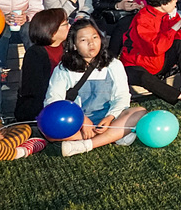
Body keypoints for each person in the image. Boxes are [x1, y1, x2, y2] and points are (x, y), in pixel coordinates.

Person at [42, 18, 148, 157]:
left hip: (108, 120)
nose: (91, 43)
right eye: (83, 40)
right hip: (76, 123)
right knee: (49, 133)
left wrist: (110, 117)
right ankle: (114, 136)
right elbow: (53, 101)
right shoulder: (64, 69)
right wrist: (81, 120)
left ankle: (86, 144)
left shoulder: (114, 64)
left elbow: (122, 96)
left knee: (140, 112)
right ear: (74, 45)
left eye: (94, 37)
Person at [121, 0, 181, 111]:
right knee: (143, 77)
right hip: (138, 64)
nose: (176, 1)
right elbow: (155, 48)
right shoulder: (143, 19)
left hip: (158, 61)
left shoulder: (169, 13)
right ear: (163, 3)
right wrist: (176, 26)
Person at [12, 8, 68, 123]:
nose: (69, 26)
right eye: (65, 24)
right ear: (52, 29)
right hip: (42, 107)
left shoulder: (67, 48)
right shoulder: (35, 53)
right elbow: (35, 89)